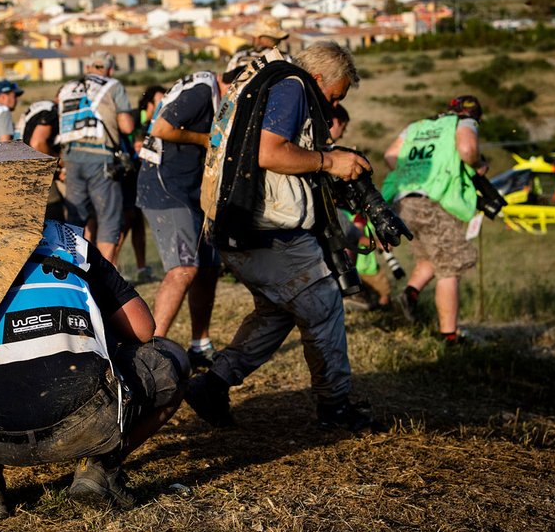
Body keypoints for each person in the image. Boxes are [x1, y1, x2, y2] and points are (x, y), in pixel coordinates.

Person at [186, 41, 378, 432]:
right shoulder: (292, 87)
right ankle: (335, 407)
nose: (333, 107)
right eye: (334, 96)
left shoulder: (269, 81)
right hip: (266, 230)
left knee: (277, 312)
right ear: (319, 78)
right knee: (322, 304)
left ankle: (212, 384)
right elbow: (270, 153)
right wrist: (329, 161)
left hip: (235, 224)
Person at [0, 220, 190, 521]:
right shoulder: (69, 242)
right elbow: (142, 329)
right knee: (170, 359)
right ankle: (100, 467)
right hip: (85, 420)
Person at [137, 72, 227, 369]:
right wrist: (203, 139)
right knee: (184, 268)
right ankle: (147, 356)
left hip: (190, 188)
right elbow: (162, 127)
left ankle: (200, 345)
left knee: (209, 266)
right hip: (166, 186)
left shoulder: (209, 90)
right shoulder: (203, 90)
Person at [383, 95, 486, 343]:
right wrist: (478, 165)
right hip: (435, 200)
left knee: (429, 257)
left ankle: (409, 296)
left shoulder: (418, 126)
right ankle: (449, 337)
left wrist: (417, 172)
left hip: (404, 201)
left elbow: (390, 156)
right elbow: (467, 149)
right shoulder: (464, 122)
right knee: (449, 267)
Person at [55, 51, 135, 264]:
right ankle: (104, 281)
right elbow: (127, 126)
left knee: (76, 219)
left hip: (71, 157)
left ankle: (76, 272)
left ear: (87, 68)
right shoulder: (112, 85)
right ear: (109, 69)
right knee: (109, 219)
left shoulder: (67, 88)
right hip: (100, 157)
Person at [330, 105, 391, 311]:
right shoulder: (327, 149)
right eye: (343, 127)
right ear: (336, 121)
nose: (342, 133)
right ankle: (345, 288)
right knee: (350, 233)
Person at [117, 86, 164, 285]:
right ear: (149, 103)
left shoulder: (160, 122)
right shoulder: (135, 118)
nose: (164, 105)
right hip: (127, 175)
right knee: (126, 221)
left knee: (138, 224)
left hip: (140, 176)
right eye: (160, 101)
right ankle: (111, 265)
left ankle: (142, 268)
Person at [15, 99, 65, 220]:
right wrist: (60, 162)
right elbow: (37, 143)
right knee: (54, 220)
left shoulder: (34, 108)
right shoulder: (51, 110)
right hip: (36, 172)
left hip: (19, 169)